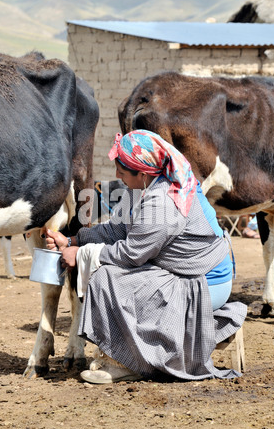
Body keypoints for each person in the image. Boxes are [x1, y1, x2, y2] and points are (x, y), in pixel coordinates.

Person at [46, 130, 247, 384]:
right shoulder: (142, 187)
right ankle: (127, 353)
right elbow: (117, 228)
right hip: (180, 271)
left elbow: (132, 254)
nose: (117, 175)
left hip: (204, 282)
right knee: (107, 271)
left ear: (142, 172)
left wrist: (83, 254)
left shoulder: (163, 200)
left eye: (122, 170)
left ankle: (128, 363)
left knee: (108, 277)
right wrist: (73, 240)